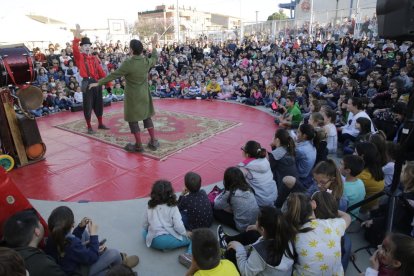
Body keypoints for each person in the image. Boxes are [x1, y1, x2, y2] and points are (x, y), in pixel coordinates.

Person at [90, 35, 159, 152]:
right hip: (144, 95)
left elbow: (114, 75)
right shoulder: (146, 61)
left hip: (132, 96)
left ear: (131, 50)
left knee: (133, 120)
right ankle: (153, 141)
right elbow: (154, 57)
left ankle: (138, 145)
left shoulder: (128, 63)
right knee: (146, 117)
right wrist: (153, 45)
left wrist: (98, 83)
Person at [45, 206, 139, 275]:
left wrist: (80, 228)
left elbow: (71, 243)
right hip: (77, 271)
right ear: (71, 225)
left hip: (67, 264)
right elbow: (92, 257)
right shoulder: (73, 244)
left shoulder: (54, 236)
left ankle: (108, 262)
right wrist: (93, 235)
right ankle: (121, 269)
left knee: (84, 233)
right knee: (113, 253)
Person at [285, 193, 351, 276]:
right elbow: (347, 217)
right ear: (313, 204)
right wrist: (331, 209)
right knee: (347, 240)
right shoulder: (332, 224)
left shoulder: (292, 234)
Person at [225, 207, 295, 276]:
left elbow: (246, 273)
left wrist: (240, 249)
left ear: (262, 229)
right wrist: (257, 228)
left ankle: (225, 248)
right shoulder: (286, 237)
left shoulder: (261, 252)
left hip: (250, 271)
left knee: (231, 251)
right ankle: (228, 239)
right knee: (253, 234)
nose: (256, 222)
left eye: (257, 221)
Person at [2, 210, 65, 276]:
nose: (41, 224)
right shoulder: (45, 266)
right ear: (37, 231)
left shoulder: (4, 257)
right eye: (39, 223)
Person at [72, 24, 109, 134]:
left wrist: (107, 82)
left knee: (99, 103)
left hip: (96, 82)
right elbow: (74, 48)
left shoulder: (94, 58)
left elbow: (101, 71)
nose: (87, 47)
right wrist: (77, 37)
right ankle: (89, 126)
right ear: (82, 47)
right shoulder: (79, 57)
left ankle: (100, 123)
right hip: (87, 82)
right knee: (88, 105)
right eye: (85, 45)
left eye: (88, 45)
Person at [142, 180, 191, 259]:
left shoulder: (150, 205)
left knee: (143, 232)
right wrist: (185, 233)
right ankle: (189, 255)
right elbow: (178, 226)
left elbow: (145, 224)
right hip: (163, 240)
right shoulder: (173, 207)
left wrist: (147, 230)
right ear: (170, 194)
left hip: (150, 238)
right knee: (192, 238)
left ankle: (166, 245)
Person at [213, 167, 259, 232]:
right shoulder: (248, 187)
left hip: (242, 227)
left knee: (213, 208)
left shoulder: (230, 193)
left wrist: (222, 193)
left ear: (227, 180)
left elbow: (216, 205)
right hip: (255, 222)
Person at [238, 140, 277, 207]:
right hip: (273, 195)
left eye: (243, 149)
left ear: (247, 154)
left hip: (260, 201)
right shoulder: (265, 160)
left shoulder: (244, 166)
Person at [341, 155, 366, 220]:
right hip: (353, 216)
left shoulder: (343, 187)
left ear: (348, 170)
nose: (339, 167)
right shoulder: (360, 182)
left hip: (344, 219)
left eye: (341, 164)